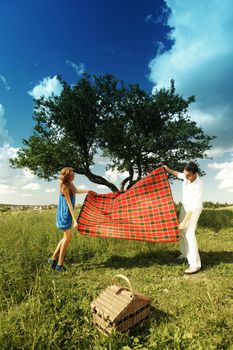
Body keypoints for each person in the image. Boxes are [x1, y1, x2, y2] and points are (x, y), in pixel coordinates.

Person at [163, 162, 203, 274]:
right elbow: (178, 174)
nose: (185, 177)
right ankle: (184, 254)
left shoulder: (198, 186)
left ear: (194, 174)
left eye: (187, 175)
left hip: (193, 210)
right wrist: (168, 169)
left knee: (189, 233)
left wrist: (185, 221)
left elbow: (194, 207)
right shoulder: (186, 176)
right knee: (182, 231)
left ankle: (195, 265)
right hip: (185, 207)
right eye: (185, 174)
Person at [48, 167, 89, 271]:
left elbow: (76, 190)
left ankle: (53, 259)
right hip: (65, 214)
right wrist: (75, 220)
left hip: (66, 214)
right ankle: (59, 265)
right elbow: (69, 205)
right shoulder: (65, 186)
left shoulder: (70, 184)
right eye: (71, 175)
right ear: (66, 176)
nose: (73, 176)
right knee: (67, 238)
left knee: (65, 238)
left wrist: (88, 191)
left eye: (73, 174)